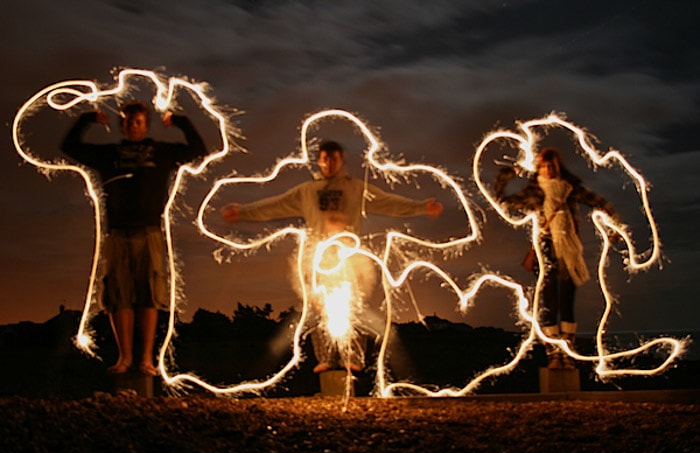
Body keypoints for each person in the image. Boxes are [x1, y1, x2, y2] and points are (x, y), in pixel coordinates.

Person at [221, 140, 443, 373]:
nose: (329, 163)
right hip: (319, 257)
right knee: (319, 304)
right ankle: (326, 357)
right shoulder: (307, 191)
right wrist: (242, 212)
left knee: (353, 304)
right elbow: (275, 205)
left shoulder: (355, 188)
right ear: (318, 160)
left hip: (348, 255)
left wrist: (420, 207)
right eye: (325, 158)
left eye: (334, 158)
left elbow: (388, 202)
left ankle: (353, 357)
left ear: (341, 160)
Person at [61, 100, 208, 376]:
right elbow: (70, 147)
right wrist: (88, 118)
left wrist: (179, 121)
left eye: (138, 122)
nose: (133, 126)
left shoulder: (162, 152)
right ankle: (124, 358)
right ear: (122, 124)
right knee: (119, 295)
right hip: (117, 233)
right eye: (128, 121)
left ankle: (146, 360)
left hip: (149, 231)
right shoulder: (110, 154)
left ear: (146, 124)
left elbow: (198, 148)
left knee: (149, 295)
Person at [494, 147, 618, 369]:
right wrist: (506, 175)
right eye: (544, 165)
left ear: (557, 166)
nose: (548, 169)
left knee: (567, 303)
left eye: (551, 165)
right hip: (546, 250)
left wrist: (616, 226)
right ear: (538, 168)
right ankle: (553, 355)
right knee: (550, 303)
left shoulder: (570, 190)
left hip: (569, 251)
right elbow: (501, 200)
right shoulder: (534, 193)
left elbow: (601, 202)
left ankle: (567, 353)